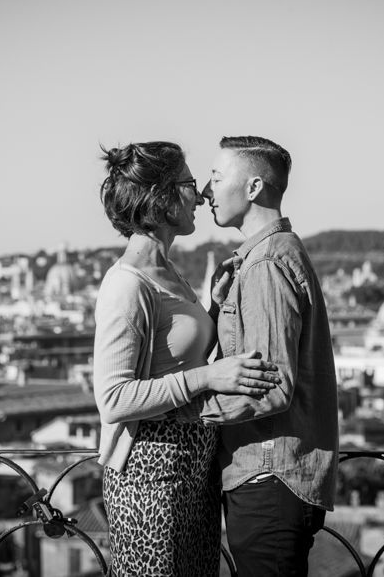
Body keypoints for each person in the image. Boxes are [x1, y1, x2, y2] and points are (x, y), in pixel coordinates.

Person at [92, 141, 280, 577]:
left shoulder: (171, 274)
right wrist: (209, 376)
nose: (199, 196)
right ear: (160, 197)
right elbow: (114, 399)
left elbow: (175, 358)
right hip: (149, 475)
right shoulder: (127, 285)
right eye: (189, 184)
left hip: (194, 472)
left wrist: (212, 309)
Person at [182, 135, 339, 576]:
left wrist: (181, 409)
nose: (206, 191)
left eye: (215, 177)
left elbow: (271, 389)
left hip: (268, 476)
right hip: (273, 475)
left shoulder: (266, 263)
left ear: (252, 188)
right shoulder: (267, 256)